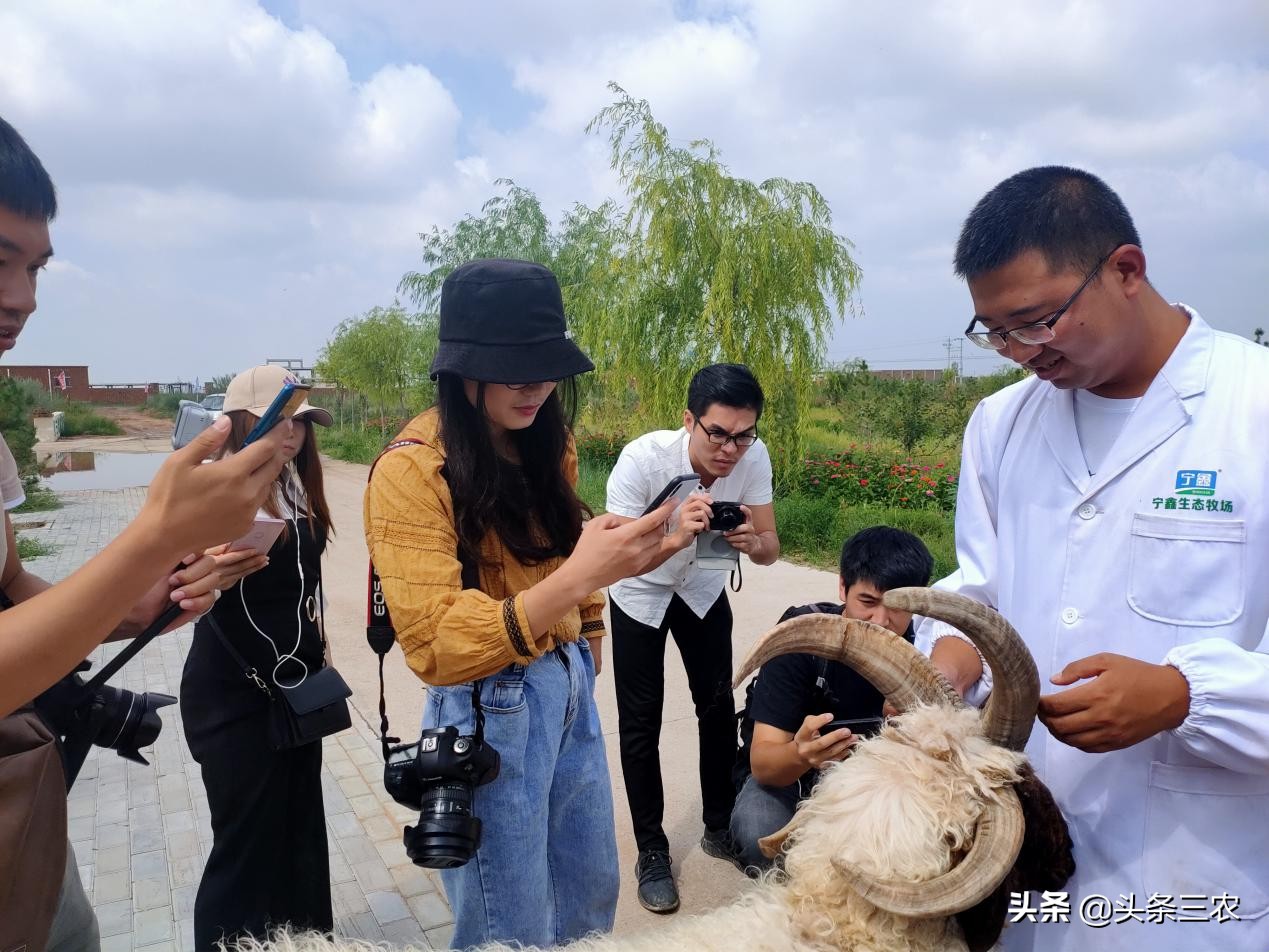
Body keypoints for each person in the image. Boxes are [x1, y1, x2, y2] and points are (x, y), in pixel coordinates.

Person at [924, 165, 1269, 952]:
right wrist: (949, 659)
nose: (1016, 352)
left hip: (1194, 890)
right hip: (1032, 867)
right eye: (994, 331)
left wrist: (1186, 697)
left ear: (1124, 270)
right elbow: (981, 592)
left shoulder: (1254, 410)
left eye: (1036, 320)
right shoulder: (1000, 425)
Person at [0, 116, 289, 952]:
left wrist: (133, 605)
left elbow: (14, 589)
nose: (23, 298)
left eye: (36, 267)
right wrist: (154, 536)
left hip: (24, 814)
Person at [364, 258, 692, 949]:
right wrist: (576, 586)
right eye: (515, 369)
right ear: (461, 370)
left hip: (564, 681)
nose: (537, 386)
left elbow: (573, 550)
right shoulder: (411, 469)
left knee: (587, 897)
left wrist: (598, 613)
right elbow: (434, 644)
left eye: (546, 368)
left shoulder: (548, 444)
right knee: (505, 924)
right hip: (488, 706)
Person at [605, 363, 779, 913]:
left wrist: (753, 544)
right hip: (641, 593)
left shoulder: (754, 457)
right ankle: (652, 850)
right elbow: (616, 562)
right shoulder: (642, 460)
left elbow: (773, 545)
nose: (731, 449)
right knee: (640, 722)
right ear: (689, 421)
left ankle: (717, 824)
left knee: (715, 707)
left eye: (743, 434)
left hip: (702, 590)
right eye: (718, 433)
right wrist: (676, 533)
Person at [180, 365, 338, 951]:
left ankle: (304, 941)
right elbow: (171, 582)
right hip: (232, 697)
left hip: (294, 690)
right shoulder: (210, 488)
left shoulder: (296, 483)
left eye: (303, 422)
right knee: (244, 844)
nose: (295, 434)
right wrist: (205, 570)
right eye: (282, 419)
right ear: (245, 420)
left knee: (300, 829)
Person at [729, 526, 933, 873]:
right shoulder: (802, 639)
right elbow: (764, 763)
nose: (881, 621)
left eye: (898, 607)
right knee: (758, 831)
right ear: (842, 587)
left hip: (881, 783)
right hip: (796, 778)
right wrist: (801, 753)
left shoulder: (927, 648)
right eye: (867, 602)